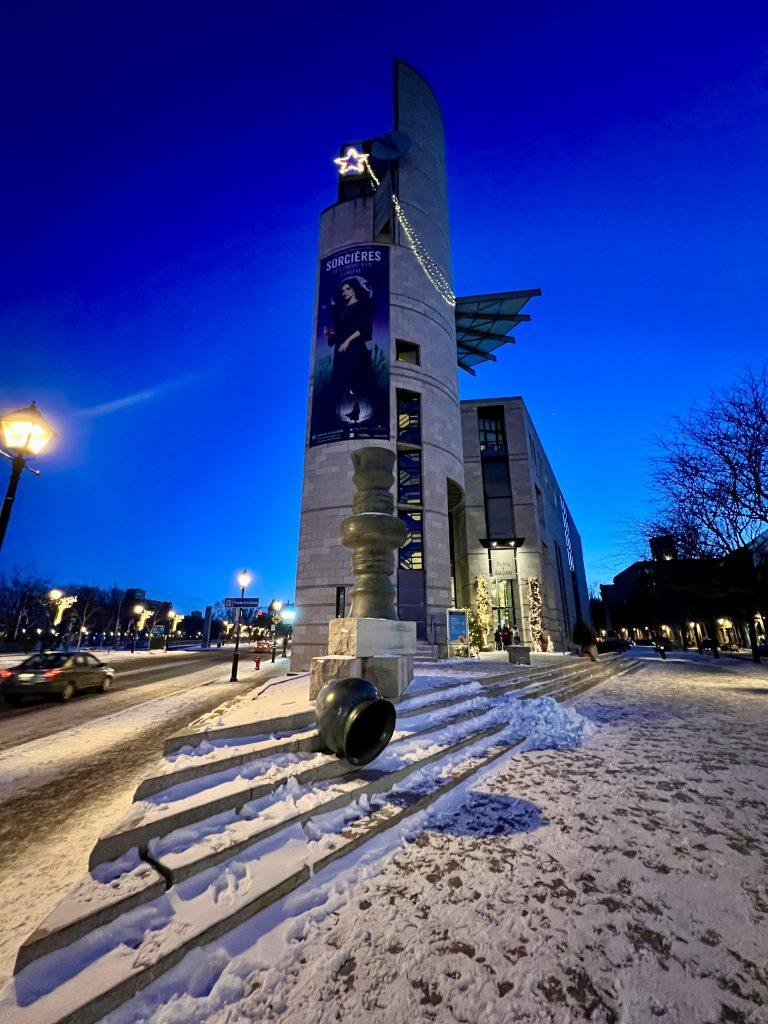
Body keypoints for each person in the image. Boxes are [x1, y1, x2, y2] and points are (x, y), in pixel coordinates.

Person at [325, 277, 378, 417]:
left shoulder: (361, 305)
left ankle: (366, 412)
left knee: (356, 376)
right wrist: (329, 334)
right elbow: (340, 330)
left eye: (348, 289)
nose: (345, 292)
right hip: (340, 349)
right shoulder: (342, 309)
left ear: (354, 289)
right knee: (340, 380)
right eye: (343, 290)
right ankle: (339, 414)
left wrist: (347, 341)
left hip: (354, 347)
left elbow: (363, 328)